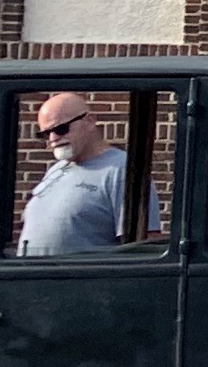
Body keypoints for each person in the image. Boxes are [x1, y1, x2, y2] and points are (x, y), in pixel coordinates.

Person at [17, 93, 130, 255]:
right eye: (45, 134)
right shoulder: (56, 170)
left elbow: (143, 245)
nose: (53, 139)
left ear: (89, 121)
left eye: (61, 129)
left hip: (81, 272)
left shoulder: (122, 170)